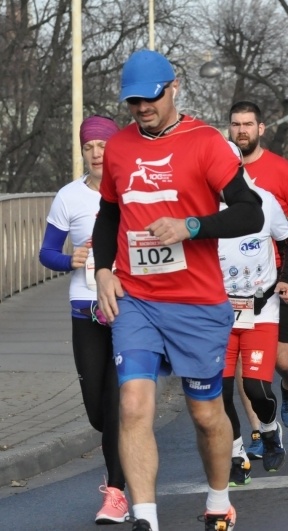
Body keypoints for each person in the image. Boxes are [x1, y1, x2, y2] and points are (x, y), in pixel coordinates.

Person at [92, 49, 264, 531]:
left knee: (206, 415)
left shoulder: (206, 142)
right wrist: (103, 270)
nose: (141, 108)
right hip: (137, 300)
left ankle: (218, 500)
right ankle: (146, 518)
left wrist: (191, 226)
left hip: (196, 303)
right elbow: (108, 214)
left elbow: (250, 211)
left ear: (174, 88)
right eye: (133, 101)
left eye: (150, 98)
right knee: (133, 404)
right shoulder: (119, 147)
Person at [38, 115, 129, 524]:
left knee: (115, 404)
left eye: (102, 146)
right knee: (97, 410)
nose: (96, 153)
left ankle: (117, 491)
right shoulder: (69, 197)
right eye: (89, 147)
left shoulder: (130, 191)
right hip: (85, 310)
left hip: (125, 308)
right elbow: (46, 252)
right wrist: (68, 259)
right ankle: (127, 451)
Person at [227, 101, 288, 462]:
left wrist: (270, 227)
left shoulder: (279, 169)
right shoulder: (219, 171)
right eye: (236, 124)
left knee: (283, 360)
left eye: (248, 124)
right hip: (236, 288)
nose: (242, 130)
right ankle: (258, 431)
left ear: (260, 129)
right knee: (241, 362)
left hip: (279, 277)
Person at [219, 173, 288, 485]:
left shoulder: (264, 200)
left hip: (261, 309)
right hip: (218, 314)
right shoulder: (199, 206)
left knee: (256, 388)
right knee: (220, 392)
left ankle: (269, 429)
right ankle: (236, 453)